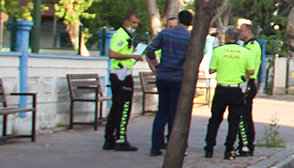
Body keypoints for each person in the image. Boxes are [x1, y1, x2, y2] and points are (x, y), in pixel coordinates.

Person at [145, 10, 193, 157]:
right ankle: (173, 146)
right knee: (175, 112)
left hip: (163, 76)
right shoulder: (190, 38)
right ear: (190, 23)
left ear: (178, 20)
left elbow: (150, 50)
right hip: (178, 78)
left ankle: (155, 146)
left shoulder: (165, 34)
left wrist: (157, 65)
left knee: (161, 111)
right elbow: (197, 56)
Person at [204, 26, 254, 159]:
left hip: (221, 88)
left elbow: (211, 70)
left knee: (215, 119)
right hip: (236, 89)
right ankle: (228, 149)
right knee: (234, 120)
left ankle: (209, 148)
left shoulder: (218, 51)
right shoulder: (245, 52)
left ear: (227, 36)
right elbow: (251, 71)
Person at [104, 12, 143, 151]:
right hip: (121, 75)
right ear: (126, 21)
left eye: (137, 23)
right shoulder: (121, 35)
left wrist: (133, 57)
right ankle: (120, 139)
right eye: (133, 23)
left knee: (116, 107)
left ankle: (109, 138)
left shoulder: (126, 36)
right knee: (124, 107)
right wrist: (131, 55)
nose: (135, 26)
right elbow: (112, 54)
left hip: (121, 72)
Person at [237, 23, 261, 156]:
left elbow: (248, 67)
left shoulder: (251, 46)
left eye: (241, 31)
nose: (240, 33)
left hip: (248, 82)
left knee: (245, 115)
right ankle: (244, 143)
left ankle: (247, 145)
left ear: (248, 31)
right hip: (247, 82)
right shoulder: (247, 45)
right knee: (243, 114)